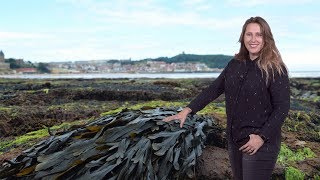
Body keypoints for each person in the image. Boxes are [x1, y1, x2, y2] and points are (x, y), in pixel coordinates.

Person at [163, 16, 290, 180]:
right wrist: (188, 109)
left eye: (259, 35)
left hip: (260, 144)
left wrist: (261, 137)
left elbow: (282, 108)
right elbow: (214, 89)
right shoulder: (234, 64)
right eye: (249, 34)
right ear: (242, 37)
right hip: (234, 140)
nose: (253, 39)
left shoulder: (275, 68)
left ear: (266, 38)